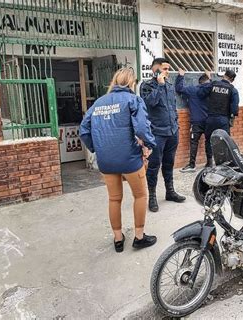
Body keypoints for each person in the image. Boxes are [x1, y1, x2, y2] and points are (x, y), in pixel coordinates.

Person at [80, 68, 157, 253]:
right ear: (132, 83)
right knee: (140, 195)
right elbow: (141, 128)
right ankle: (139, 237)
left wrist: (97, 148)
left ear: (114, 81)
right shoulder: (133, 100)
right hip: (129, 158)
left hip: (106, 161)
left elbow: (83, 130)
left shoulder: (98, 103)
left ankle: (118, 239)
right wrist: (150, 144)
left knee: (114, 199)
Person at [140, 58, 186, 212]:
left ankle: (170, 192)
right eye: (165, 68)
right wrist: (159, 85)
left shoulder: (170, 85)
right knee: (153, 166)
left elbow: (172, 107)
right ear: (156, 69)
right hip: (157, 133)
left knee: (169, 163)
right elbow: (149, 104)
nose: (168, 71)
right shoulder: (146, 86)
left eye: (168, 68)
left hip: (172, 131)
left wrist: (176, 123)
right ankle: (152, 196)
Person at [197, 69, 240, 166]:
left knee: (208, 140)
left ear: (224, 76)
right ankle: (223, 163)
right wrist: (232, 118)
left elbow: (200, 94)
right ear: (232, 79)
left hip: (210, 118)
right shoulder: (233, 90)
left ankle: (209, 162)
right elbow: (234, 109)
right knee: (224, 141)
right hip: (223, 119)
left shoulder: (213, 85)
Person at [175, 68, 212, 172]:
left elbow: (179, 88)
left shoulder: (192, 90)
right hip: (209, 121)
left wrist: (181, 75)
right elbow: (213, 85)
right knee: (209, 141)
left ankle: (192, 165)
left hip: (196, 122)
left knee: (194, 142)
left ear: (199, 82)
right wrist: (210, 77)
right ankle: (209, 163)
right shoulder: (212, 90)